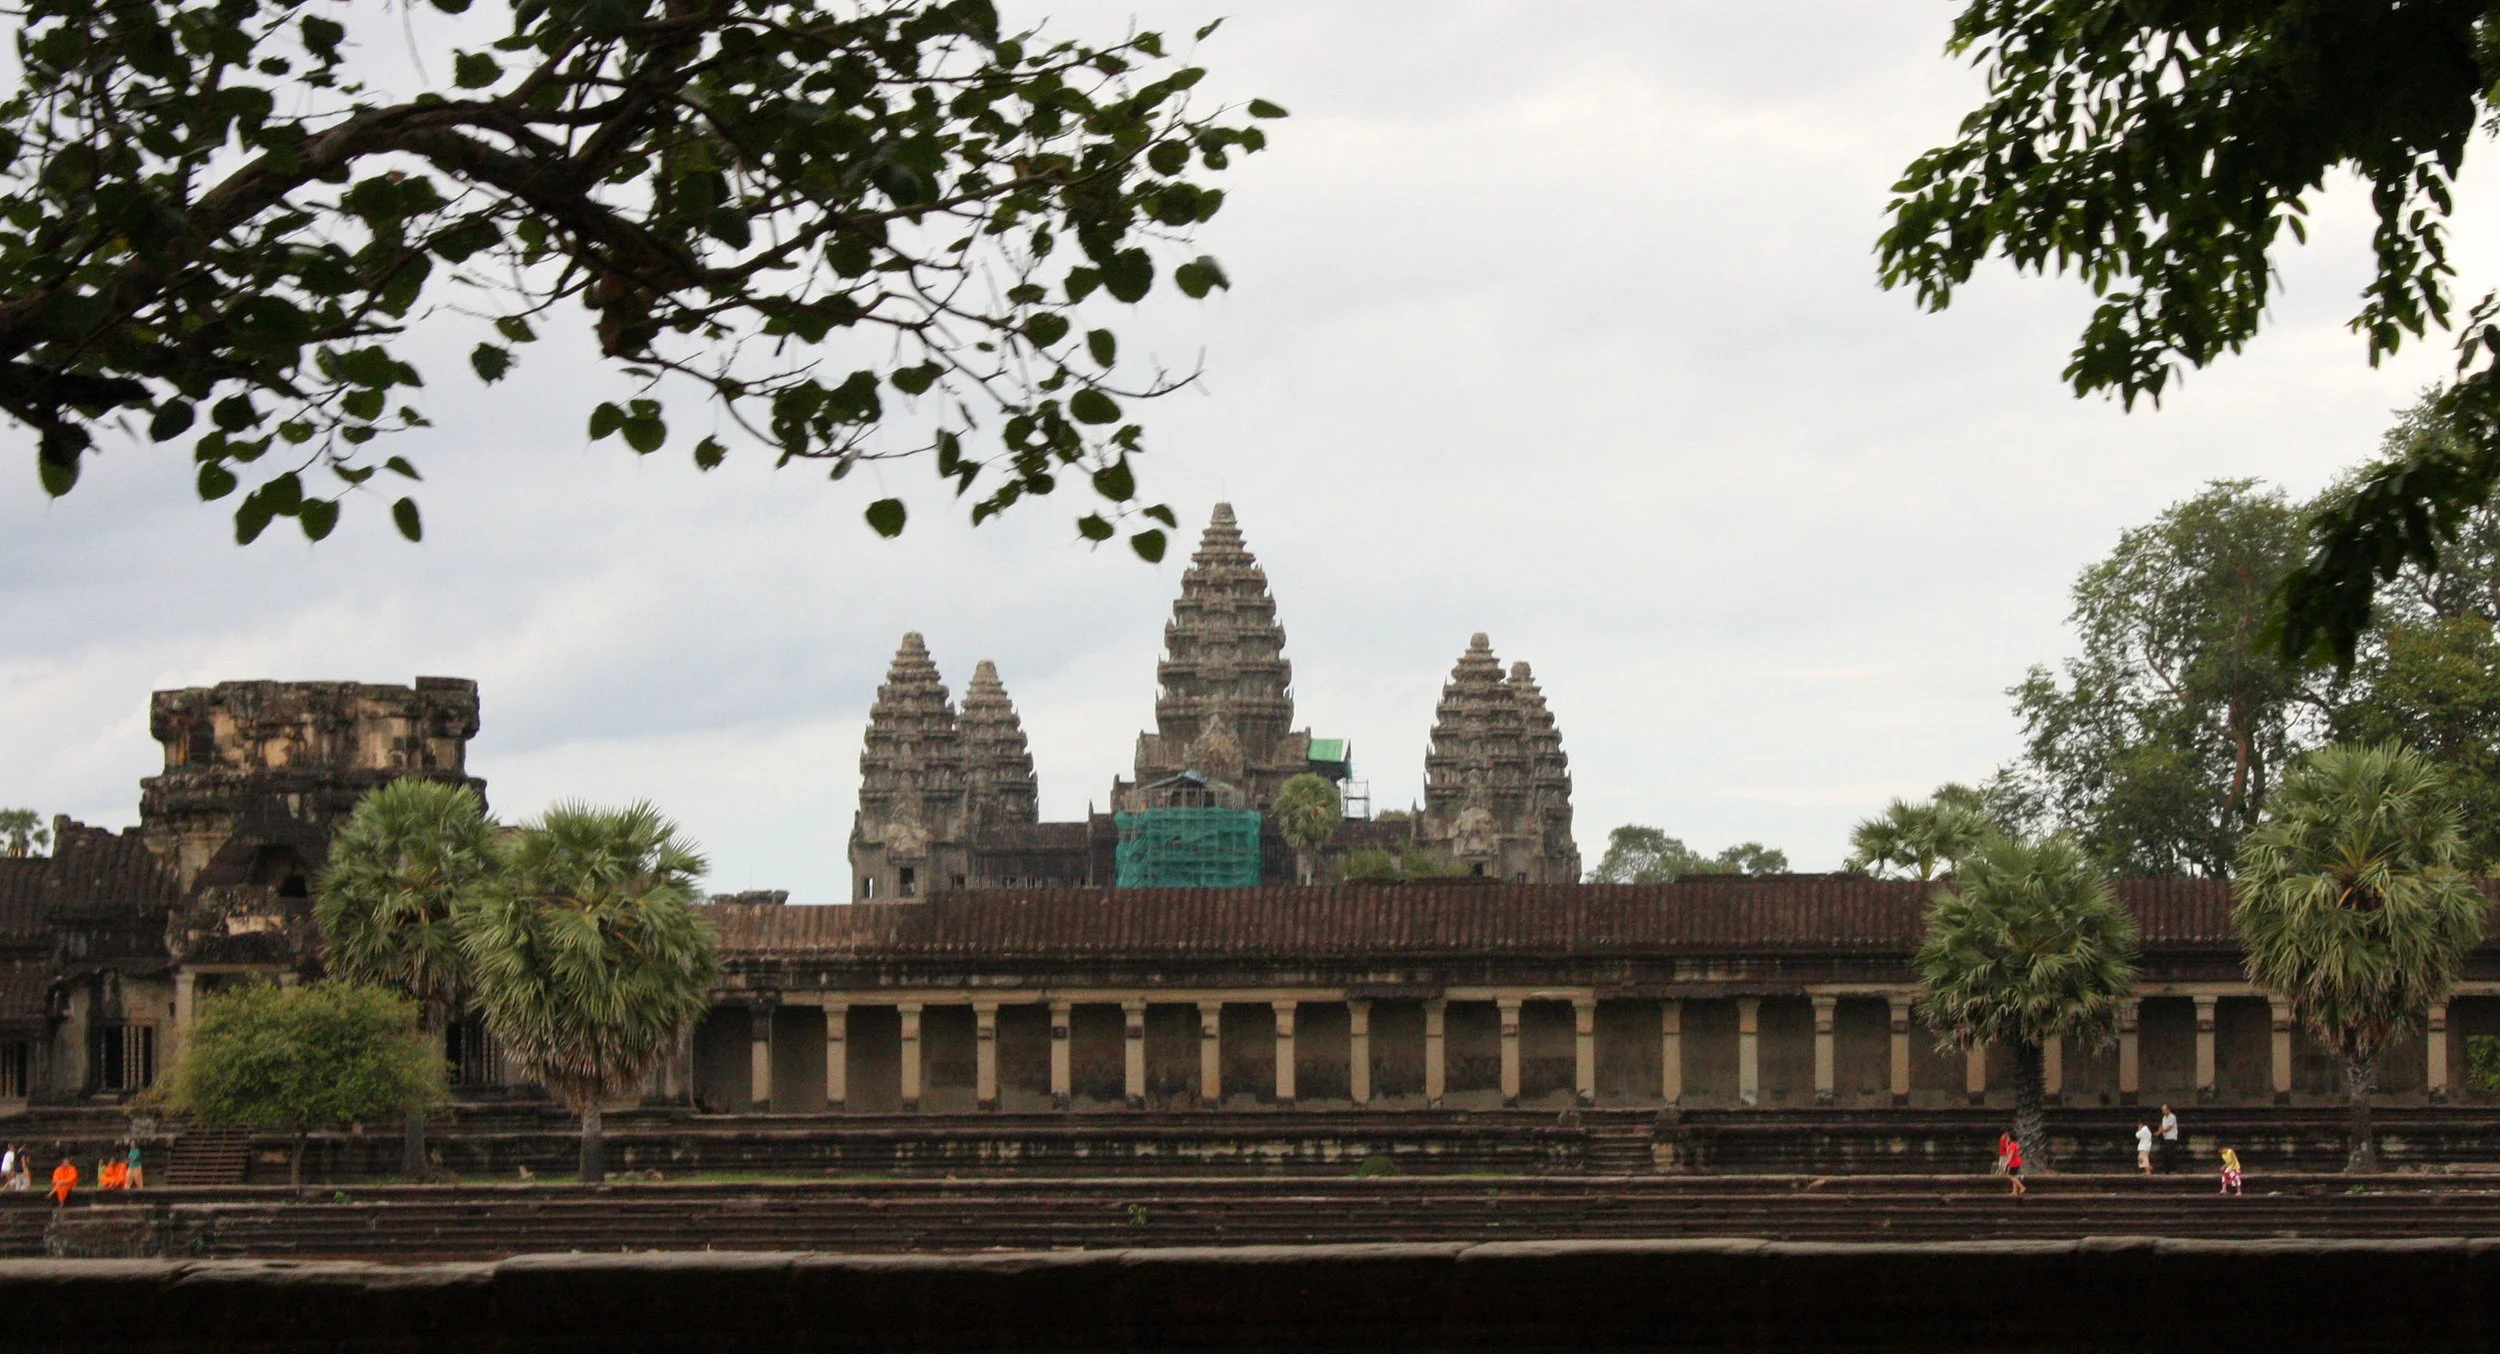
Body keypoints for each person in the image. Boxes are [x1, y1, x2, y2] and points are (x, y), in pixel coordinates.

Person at [1998, 1131, 2026, 1196]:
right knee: (2014, 1177)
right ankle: (2014, 1191)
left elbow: (2010, 1156)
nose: (2007, 1138)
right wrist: (2007, 1143)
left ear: (2010, 1138)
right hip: (2016, 1162)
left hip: (2014, 1163)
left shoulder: (2012, 1145)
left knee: (2009, 1176)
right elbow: (2009, 1151)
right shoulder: (2015, 1144)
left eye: (2008, 1137)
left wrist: (2006, 1163)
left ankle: (2022, 1187)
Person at [2158, 1105, 2181, 1172]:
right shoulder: (2164, 1118)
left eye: (2164, 1110)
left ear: (2168, 1110)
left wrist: (2161, 1131)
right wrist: (2160, 1129)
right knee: (2166, 1154)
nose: (2163, 1111)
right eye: (2162, 1110)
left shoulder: (2172, 1117)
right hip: (2166, 1138)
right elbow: (2163, 1127)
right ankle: (2166, 1169)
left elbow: (2169, 1128)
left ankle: (2173, 1169)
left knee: (2171, 1154)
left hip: (2171, 1138)